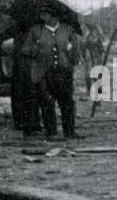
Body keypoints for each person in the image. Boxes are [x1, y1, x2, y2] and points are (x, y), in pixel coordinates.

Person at [22, 8, 82, 141]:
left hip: (63, 71)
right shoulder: (36, 30)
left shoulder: (68, 30)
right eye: (41, 13)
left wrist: (72, 51)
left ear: (55, 16)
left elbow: (76, 52)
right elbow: (25, 49)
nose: (42, 16)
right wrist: (36, 48)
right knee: (47, 101)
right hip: (44, 72)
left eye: (46, 13)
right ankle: (51, 132)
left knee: (67, 102)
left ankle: (70, 131)